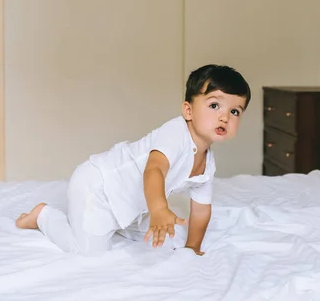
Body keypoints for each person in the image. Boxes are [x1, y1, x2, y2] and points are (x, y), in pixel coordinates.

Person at [16, 64, 251, 256]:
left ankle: (116, 225)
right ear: (188, 111)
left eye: (235, 111)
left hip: (131, 202)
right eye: (214, 105)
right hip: (98, 186)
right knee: (87, 252)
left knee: (158, 239)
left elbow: (201, 210)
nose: (224, 117)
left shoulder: (207, 164)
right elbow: (154, 170)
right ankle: (43, 216)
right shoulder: (175, 133)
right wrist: (159, 209)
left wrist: (192, 248)